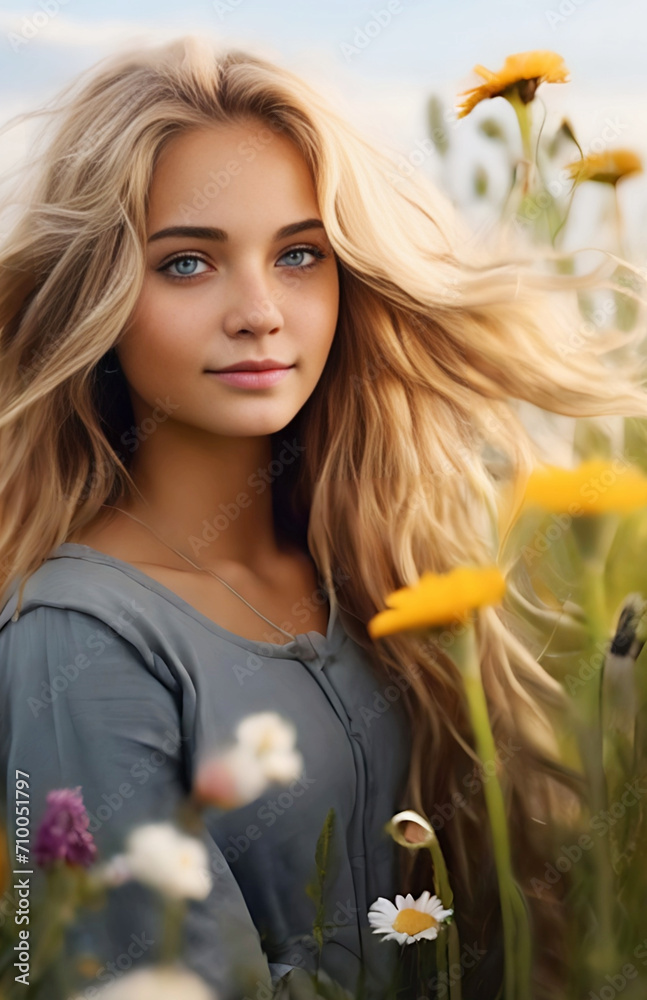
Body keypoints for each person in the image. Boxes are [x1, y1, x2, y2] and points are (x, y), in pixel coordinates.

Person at [0, 34, 646, 1000]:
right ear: (92, 295)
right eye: (187, 264)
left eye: (299, 254)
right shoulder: (77, 638)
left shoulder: (380, 561)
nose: (261, 310)